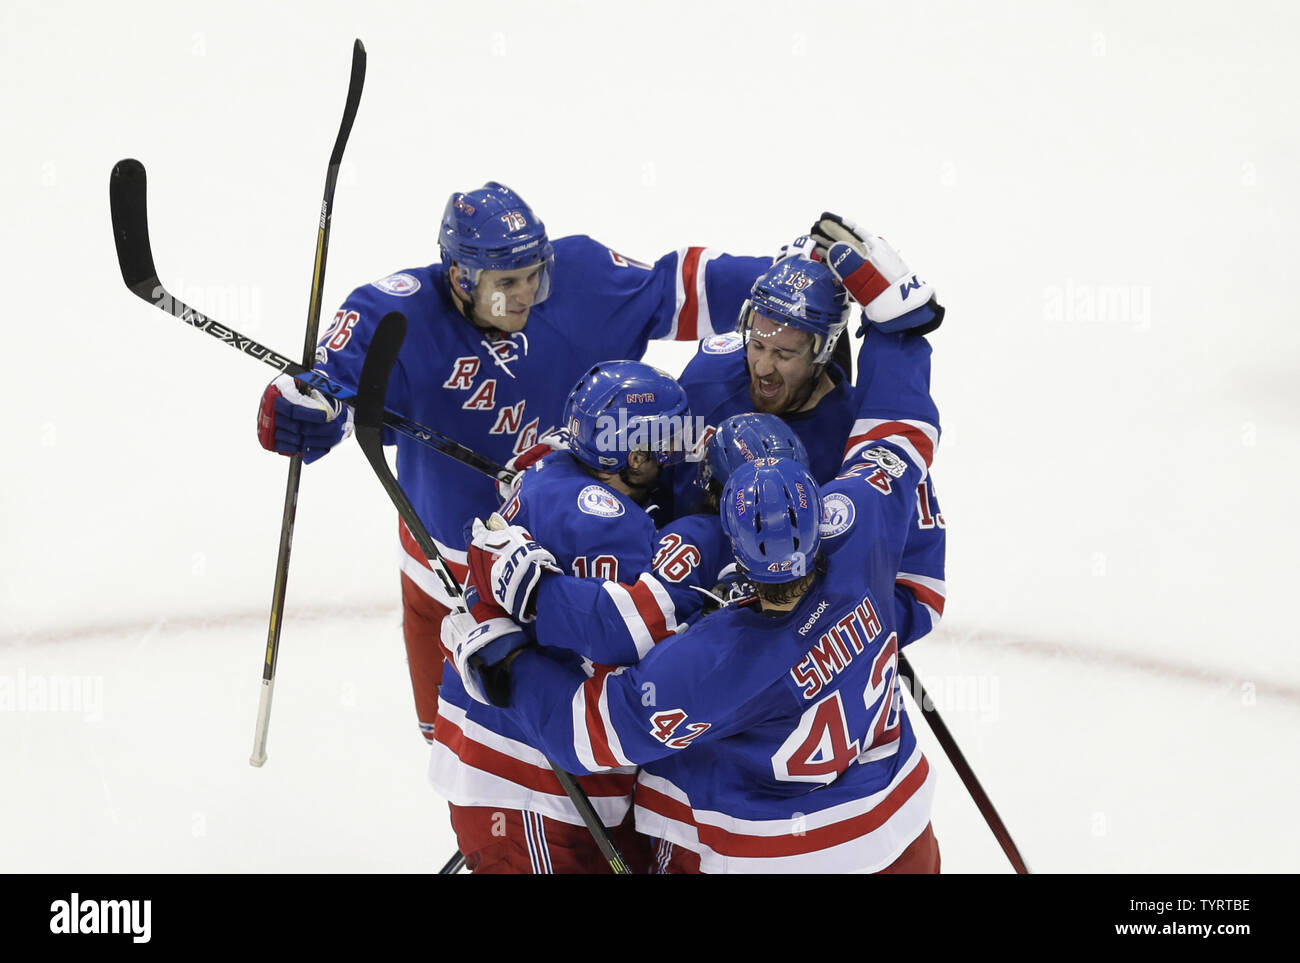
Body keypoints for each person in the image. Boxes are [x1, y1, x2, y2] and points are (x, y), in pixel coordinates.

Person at [256, 181, 772, 749]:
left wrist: (787, 283)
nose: (527, 294)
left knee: (565, 743)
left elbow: (681, 288)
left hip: (563, 573)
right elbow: (330, 388)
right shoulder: (393, 310)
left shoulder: (582, 279)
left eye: (535, 275)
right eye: (507, 284)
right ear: (460, 277)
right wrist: (304, 411)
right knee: (454, 739)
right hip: (444, 572)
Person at [452, 324, 944, 873]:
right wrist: (900, 324)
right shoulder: (858, 524)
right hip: (900, 833)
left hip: (773, 853)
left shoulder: (712, 658)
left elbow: (586, 733)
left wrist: (511, 656)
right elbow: (900, 439)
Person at [432, 360, 701, 873]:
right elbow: (632, 640)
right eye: (661, 442)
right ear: (631, 451)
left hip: (527, 769)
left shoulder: (548, 468)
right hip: (532, 782)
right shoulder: (611, 525)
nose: (671, 458)